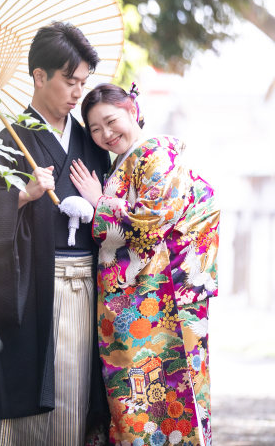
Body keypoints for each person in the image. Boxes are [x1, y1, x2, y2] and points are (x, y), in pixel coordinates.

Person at [0, 22, 111, 446]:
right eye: (70, 81)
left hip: (90, 287)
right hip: (33, 288)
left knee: (78, 394)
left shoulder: (93, 142)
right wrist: (21, 196)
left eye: (84, 83)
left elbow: (119, 209)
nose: (78, 93)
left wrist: (103, 203)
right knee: (32, 406)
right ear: (40, 76)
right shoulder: (2, 146)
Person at [70, 83, 220, 446]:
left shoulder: (157, 153)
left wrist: (99, 201)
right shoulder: (124, 162)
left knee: (169, 398)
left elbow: (151, 222)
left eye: (110, 121)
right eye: (95, 129)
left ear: (132, 109)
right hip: (138, 306)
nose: (106, 134)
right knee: (135, 403)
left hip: (165, 304)